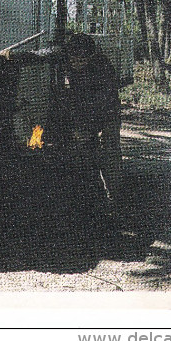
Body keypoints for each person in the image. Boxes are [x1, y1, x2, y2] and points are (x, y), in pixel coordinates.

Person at [58, 32, 123, 210]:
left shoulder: (103, 71)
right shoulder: (64, 57)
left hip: (106, 114)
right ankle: (88, 197)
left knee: (108, 151)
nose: (76, 63)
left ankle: (113, 198)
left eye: (81, 60)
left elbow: (100, 105)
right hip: (84, 113)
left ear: (91, 56)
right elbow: (47, 53)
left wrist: (87, 130)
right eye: (73, 59)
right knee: (83, 154)